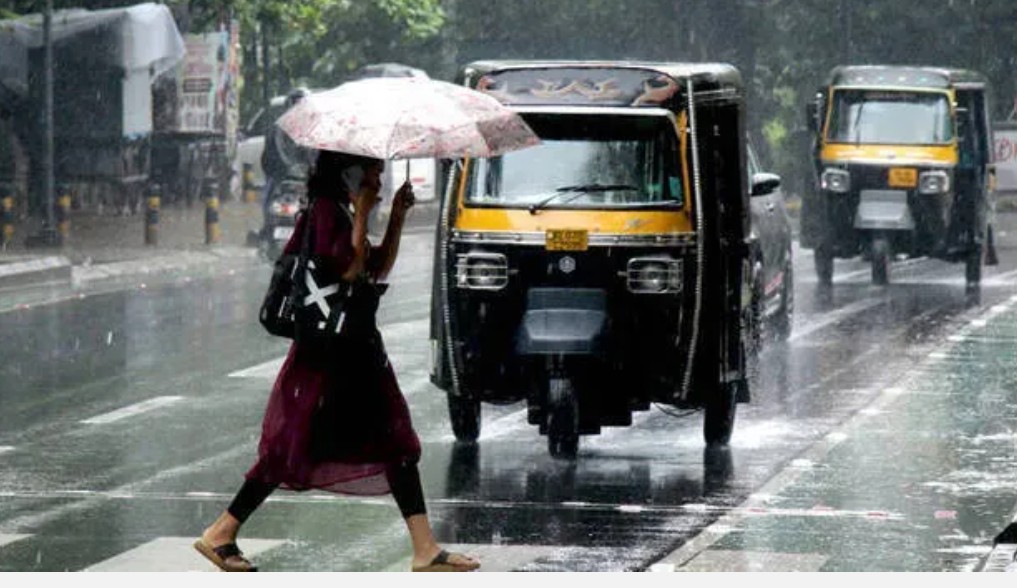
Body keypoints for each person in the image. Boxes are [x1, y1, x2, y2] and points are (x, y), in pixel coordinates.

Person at [194, 150, 481, 573]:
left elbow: (374, 268)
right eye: (373, 172)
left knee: (384, 441)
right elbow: (347, 269)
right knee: (305, 444)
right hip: (334, 357)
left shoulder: (342, 211)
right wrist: (363, 215)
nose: (379, 180)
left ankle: (424, 548)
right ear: (350, 172)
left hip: (351, 352)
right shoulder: (328, 211)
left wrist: (396, 217)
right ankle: (222, 531)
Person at [259, 88, 311, 239]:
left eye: (300, 104)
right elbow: (270, 153)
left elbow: (317, 154)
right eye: (295, 103)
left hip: (305, 176)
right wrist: (282, 168)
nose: (297, 107)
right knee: (268, 201)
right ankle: (267, 228)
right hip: (281, 176)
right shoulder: (279, 128)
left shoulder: (314, 129)